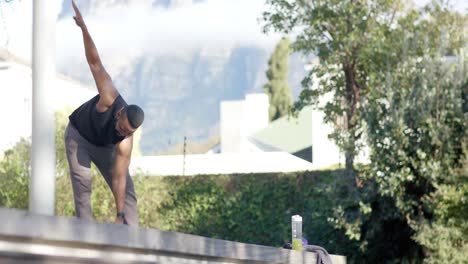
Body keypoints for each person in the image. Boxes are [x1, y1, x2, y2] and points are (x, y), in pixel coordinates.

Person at [65, 0, 144, 226]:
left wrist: (119, 215)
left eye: (127, 132)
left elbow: (118, 177)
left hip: (102, 147)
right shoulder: (109, 96)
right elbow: (95, 63)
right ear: (119, 114)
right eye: (122, 127)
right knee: (83, 185)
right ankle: (86, 237)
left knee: (127, 191)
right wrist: (83, 28)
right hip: (78, 137)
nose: (122, 132)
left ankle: (130, 239)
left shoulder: (125, 141)